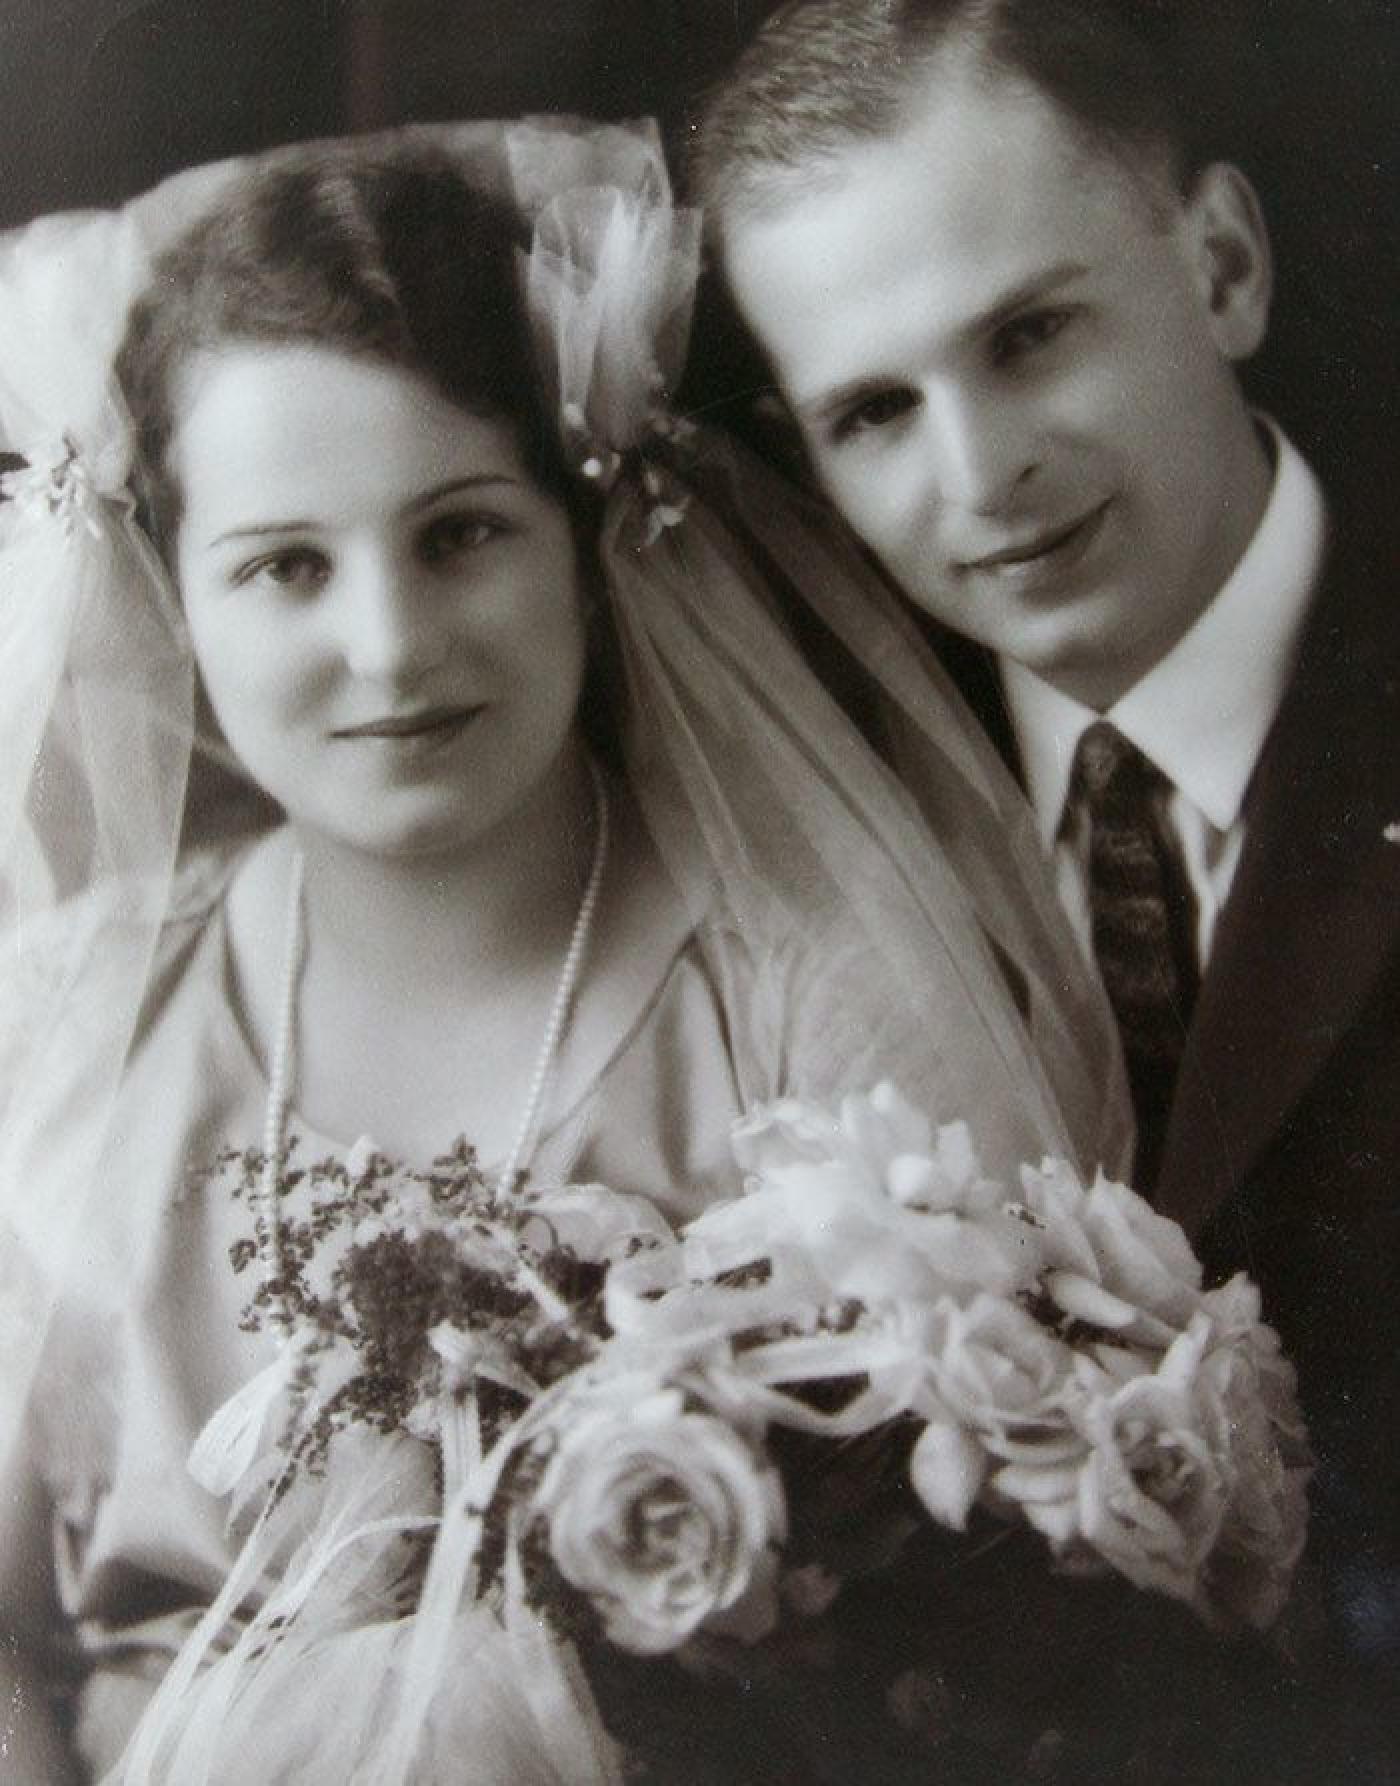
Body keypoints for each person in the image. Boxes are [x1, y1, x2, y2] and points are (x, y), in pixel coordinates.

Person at [0, 121, 1128, 1782]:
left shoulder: (817, 1006)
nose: (388, 646)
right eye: (286, 567)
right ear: (176, 597)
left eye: (462, 533)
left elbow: (990, 1657)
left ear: (590, 542)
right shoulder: (65, 1010)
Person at [692, 0, 1400, 1760]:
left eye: (1030, 335)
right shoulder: (805, 793)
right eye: (870, 412)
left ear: (1223, 267)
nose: (977, 470)